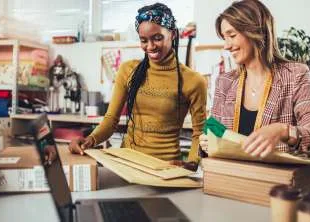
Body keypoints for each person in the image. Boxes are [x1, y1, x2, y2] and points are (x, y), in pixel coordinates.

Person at [69, 3, 207, 170]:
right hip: (127, 165)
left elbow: (199, 133)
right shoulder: (128, 71)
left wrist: (192, 163)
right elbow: (111, 120)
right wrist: (90, 140)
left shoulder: (193, 80)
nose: (150, 46)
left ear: (173, 34)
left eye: (157, 38)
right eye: (143, 40)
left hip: (166, 170)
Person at [199, 0, 310, 158]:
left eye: (232, 35)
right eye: (224, 38)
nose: (226, 46)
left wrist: (283, 131)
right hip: (231, 179)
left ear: (255, 31)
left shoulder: (295, 75)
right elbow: (214, 138)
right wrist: (207, 143)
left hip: (276, 180)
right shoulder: (225, 82)